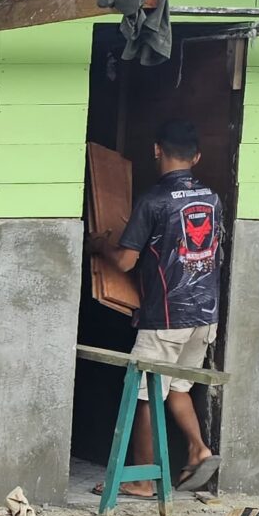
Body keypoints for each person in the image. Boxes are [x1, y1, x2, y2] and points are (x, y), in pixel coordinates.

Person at [91, 116, 225, 493]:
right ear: (196, 157)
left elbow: (125, 262)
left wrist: (101, 244)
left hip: (166, 315)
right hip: (204, 314)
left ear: (156, 150)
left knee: (147, 393)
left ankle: (143, 479)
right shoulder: (211, 199)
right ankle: (198, 450)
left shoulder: (154, 200)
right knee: (179, 387)